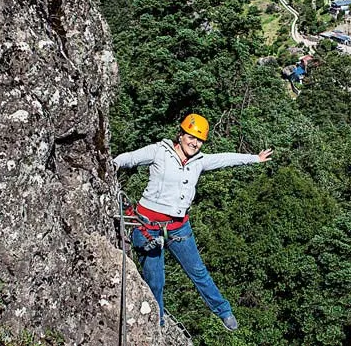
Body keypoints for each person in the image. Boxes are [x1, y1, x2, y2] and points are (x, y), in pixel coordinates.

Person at [113, 113, 272, 331]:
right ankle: (158, 322)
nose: (194, 143)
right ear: (180, 135)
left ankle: (223, 311)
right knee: (155, 279)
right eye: (191, 137)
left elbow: (225, 159)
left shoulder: (199, 161)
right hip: (147, 225)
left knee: (198, 272)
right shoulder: (160, 151)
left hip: (178, 227)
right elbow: (131, 158)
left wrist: (255, 158)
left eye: (199, 140)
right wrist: (113, 164)